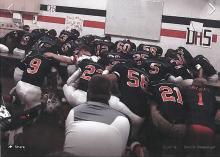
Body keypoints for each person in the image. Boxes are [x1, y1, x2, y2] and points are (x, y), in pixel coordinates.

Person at [64, 75, 130, 157]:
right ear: (109, 96)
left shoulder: (73, 112)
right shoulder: (122, 120)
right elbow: (120, 152)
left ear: (88, 93)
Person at [183, 77, 218, 157]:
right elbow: (214, 111)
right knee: (206, 153)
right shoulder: (211, 94)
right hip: (209, 127)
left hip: (192, 125)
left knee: (191, 152)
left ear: (193, 85)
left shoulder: (186, 91)